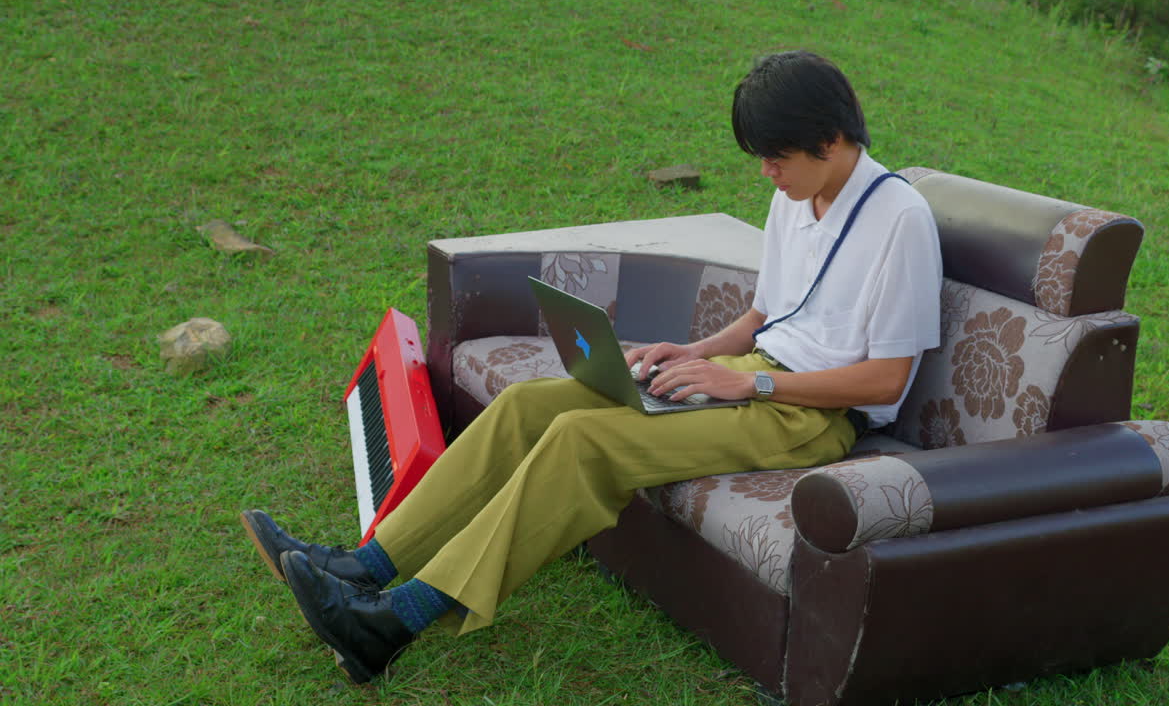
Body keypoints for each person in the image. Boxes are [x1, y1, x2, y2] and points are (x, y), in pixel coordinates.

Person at [241, 50, 942, 684]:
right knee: (526, 406)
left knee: (584, 441)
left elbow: (885, 380)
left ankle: (389, 622)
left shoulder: (901, 221)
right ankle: (363, 567)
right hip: (748, 372)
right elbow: (765, 313)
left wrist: (749, 380)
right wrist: (696, 353)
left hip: (810, 414)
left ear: (829, 139)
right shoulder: (794, 195)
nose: (765, 170)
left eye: (775, 156)